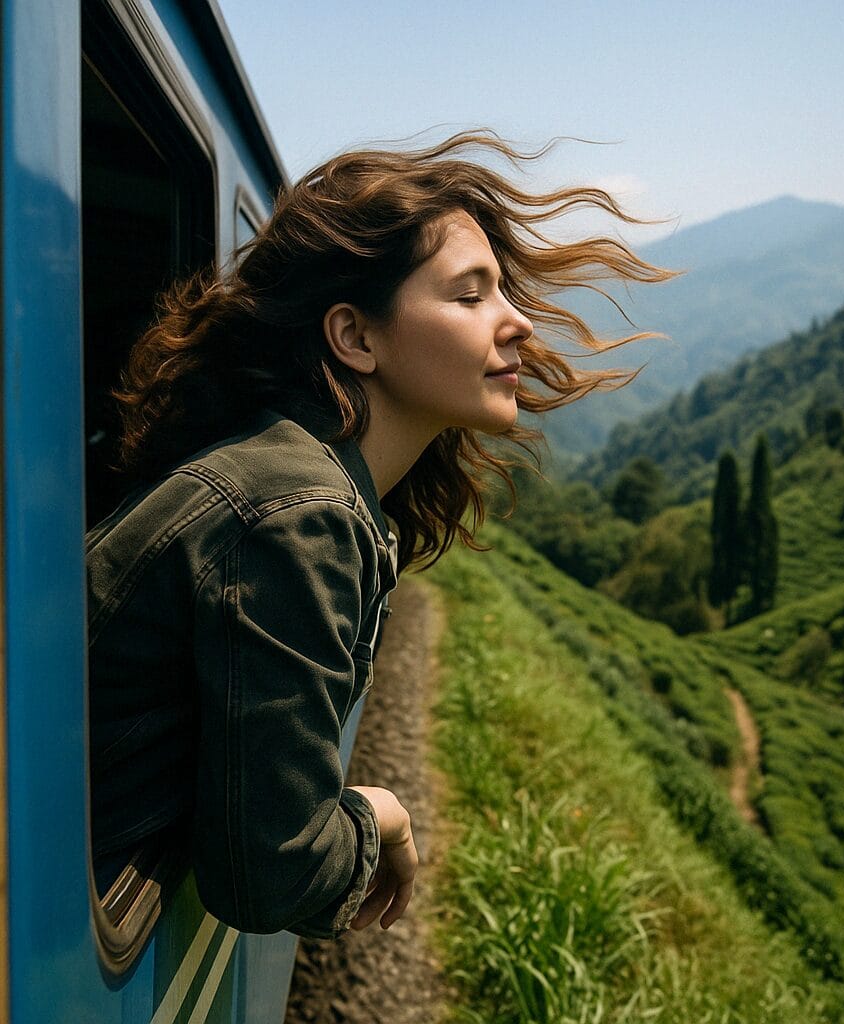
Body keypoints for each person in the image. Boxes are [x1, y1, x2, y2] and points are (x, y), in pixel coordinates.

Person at [87, 130, 675, 938]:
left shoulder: (294, 482)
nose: (520, 326)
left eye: (501, 294)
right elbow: (273, 874)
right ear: (355, 338)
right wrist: (380, 814)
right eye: (470, 297)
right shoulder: (300, 517)